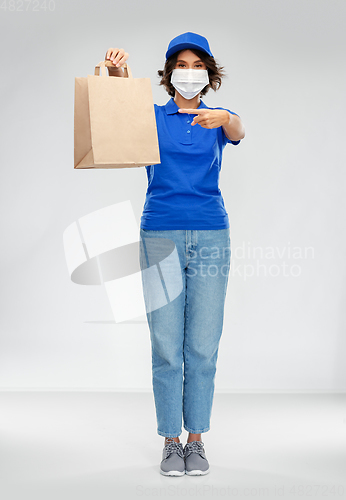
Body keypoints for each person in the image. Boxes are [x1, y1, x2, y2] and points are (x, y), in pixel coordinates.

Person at [105, 32, 245, 477]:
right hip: (160, 233)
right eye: (180, 64)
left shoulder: (219, 118)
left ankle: (197, 440)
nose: (188, 71)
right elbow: (121, 116)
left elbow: (240, 129)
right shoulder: (153, 118)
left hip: (211, 235)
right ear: (169, 73)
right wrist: (118, 74)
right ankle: (170, 441)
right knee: (167, 345)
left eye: (196, 64)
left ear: (207, 73)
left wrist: (223, 115)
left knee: (202, 345)